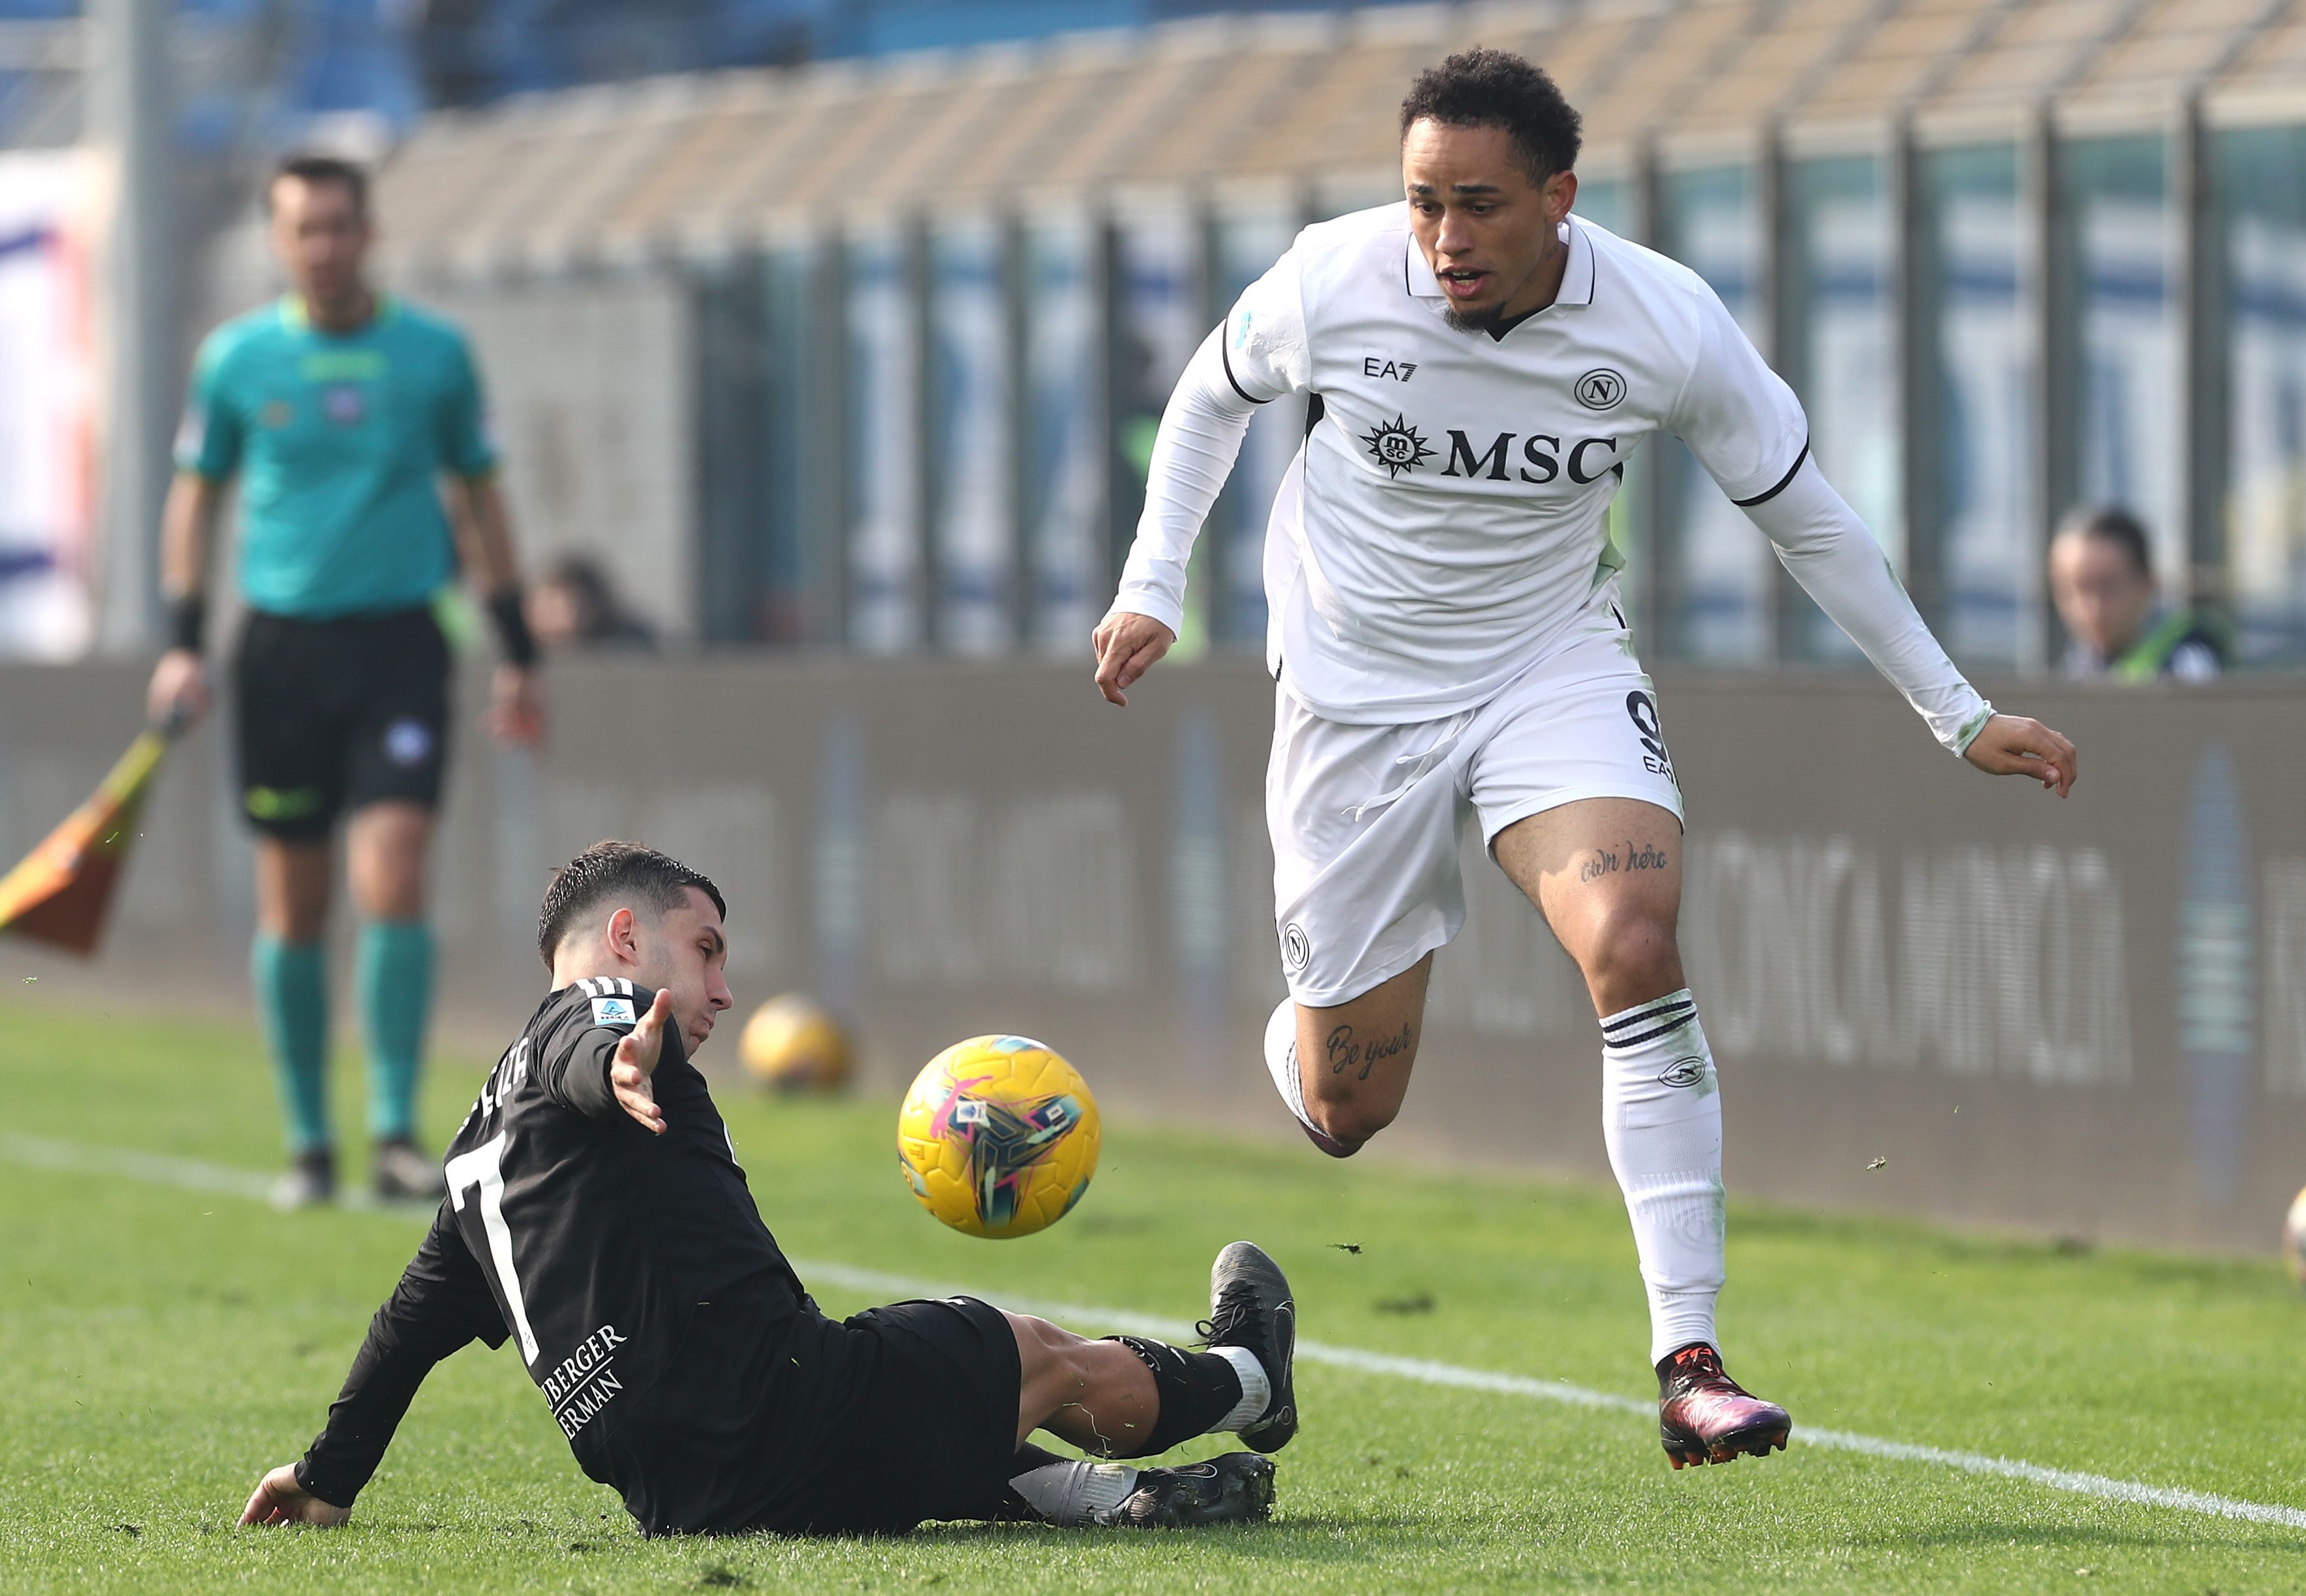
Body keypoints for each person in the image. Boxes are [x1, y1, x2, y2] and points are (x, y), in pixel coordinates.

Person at [1091, 48, 2079, 1471]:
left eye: (1478, 206)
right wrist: (1152, 588)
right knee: (1347, 1111)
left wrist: (1953, 711)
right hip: (1353, 701)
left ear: (1558, 197)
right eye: (1421, 202)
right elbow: (1207, 398)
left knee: (1630, 933)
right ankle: (1303, 1037)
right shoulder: (1331, 278)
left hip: (1543, 664)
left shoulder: (1662, 321)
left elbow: (1805, 517)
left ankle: (1687, 1358)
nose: (1442, 241)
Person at [238, 842, 1297, 1537]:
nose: (724, 989)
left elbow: (405, 1328)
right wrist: (618, 1064)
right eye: (704, 951)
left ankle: (1115, 1498)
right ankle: (1251, 1372)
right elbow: (585, 1035)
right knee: (1029, 1350)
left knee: (924, 1412)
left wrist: (328, 1474)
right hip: (777, 1401)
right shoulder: (604, 1015)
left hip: (679, 1494)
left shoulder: (477, 1160)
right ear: (622, 940)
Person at [146, 154, 546, 1210]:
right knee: (296, 903)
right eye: (303, 229)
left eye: (338, 225)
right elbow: (195, 502)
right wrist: (184, 636)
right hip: (281, 652)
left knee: (397, 870)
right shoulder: (236, 360)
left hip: (401, 646)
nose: (323, 245)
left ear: (368, 232)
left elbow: (482, 497)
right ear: (279, 242)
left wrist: (516, 644)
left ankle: (394, 1132)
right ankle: (310, 1140)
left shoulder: (434, 356)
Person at [2048, 505, 2227, 681]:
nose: (2092, 608)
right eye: (2074, 590)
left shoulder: (2189, 663)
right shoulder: (2078, 666)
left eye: (2109, 587)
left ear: (2148, 583)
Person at [526, 553, 657, 652]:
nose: (568, 618)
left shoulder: (626, 646)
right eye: (551, 608)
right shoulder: (515, 652)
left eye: (579, 607)